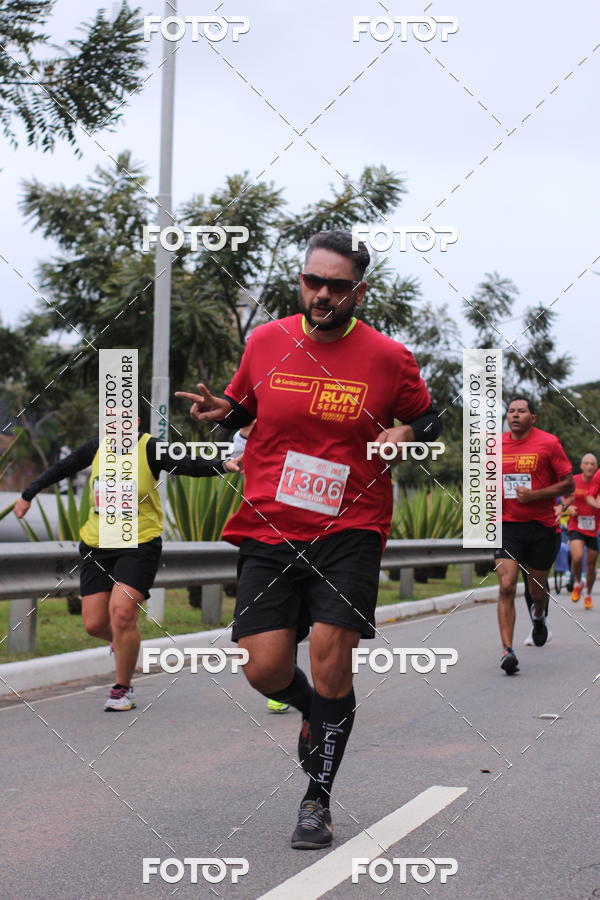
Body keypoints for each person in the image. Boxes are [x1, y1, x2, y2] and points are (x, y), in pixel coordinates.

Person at [176, 229, 440, 850]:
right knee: (264, 669)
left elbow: (428, 413)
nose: (322, 294)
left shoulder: (387, 356)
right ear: (301, 281)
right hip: (270, 523)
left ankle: (316, 800)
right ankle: (310, 714)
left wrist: (407, 433)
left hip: (351, 525)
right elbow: (249, 407)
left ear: (358, 291)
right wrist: (226, 411)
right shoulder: (267, 339)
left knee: (330, 657)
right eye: (312, 282)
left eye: (336, 286)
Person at [14, 421, 239, 710]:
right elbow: (61, 469)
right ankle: (124, 644)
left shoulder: (151, 447)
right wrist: (28, 494)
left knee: (122, 613)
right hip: (98, 544)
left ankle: (123, 689)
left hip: (139, 543)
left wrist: (224, 464)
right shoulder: (96, 447)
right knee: (94, 624)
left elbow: (187, 464)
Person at [494, 397, 573, 674]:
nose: (515, 415)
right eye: (511, 411)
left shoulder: (549, 443)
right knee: (506, 585)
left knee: (536, 590)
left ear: (533, 417)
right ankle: (507, 650)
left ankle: (538, 617)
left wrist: (536, 495)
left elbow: (568, 483)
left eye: (521, 411)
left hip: (541, 527)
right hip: (506, 526)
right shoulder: (495, 446)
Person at [230, 422, 290, 714]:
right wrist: (246, 429)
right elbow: (237, 458)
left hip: (325, 536)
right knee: (273, 626)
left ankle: (329, 688)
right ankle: (283, 684)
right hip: (268, 538)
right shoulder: (252, 433)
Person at [559, 453, 600, 609]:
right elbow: (563, 497)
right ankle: (578, 582)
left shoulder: (598, 481)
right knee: (577, 556)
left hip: (595, 528)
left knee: (590, 565)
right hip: (576, 526)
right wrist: (569, 507)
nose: (589, 466)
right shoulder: (574, 481)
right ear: (582, 466)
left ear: (596, 468)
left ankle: (588, 594)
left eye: (592, 464)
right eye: (586, 463)